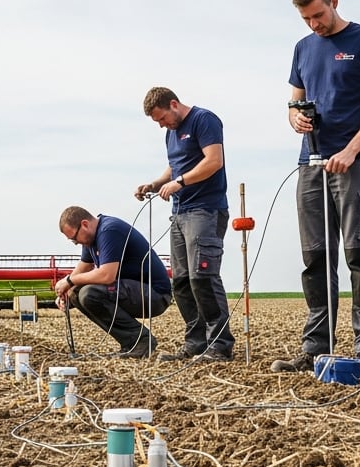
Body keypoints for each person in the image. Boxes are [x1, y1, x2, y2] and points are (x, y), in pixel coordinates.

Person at [272, 0, 360, 373]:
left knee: (359, 254)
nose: (314, 25)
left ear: (334, 1)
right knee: (315, 259)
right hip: (311, 164)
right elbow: (294, 100)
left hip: (355, 163)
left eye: (319, 15)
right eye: (306, 19)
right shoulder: (303, 48)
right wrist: (294, 117)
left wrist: (351, 150)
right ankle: (315, 345)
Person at [134, 87, 235, 363]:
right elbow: (174, 166)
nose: (161, 125)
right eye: (157, 122)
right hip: (180, 213)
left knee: (203, 277)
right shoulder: (172, 132)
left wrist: (179, 183)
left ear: (174, 104)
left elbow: (214, 161)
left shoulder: (205, 120)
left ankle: (220, 344)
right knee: (181, 281)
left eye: (162, 118)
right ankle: (196, 343)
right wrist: (155, 184)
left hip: (206, 210)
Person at [54, 206, 172, 358]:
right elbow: (84, 266)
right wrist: (65, 292)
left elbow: (106, 276)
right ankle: (131, 342)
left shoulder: (109, 230)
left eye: (74, 238)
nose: (76, 243)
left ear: (84, 224)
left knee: (89, 294)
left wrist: (69, 280)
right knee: (75, 293)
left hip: (154, 295)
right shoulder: (90, 240)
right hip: (134, 290)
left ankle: (140, 341)